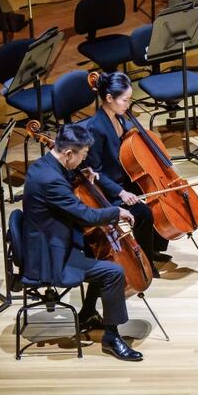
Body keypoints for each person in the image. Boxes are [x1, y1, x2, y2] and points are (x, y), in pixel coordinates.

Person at [21, 123, 142, 361]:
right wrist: (116, 212)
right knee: (113, 272)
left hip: (49, 240)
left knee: (100, 255)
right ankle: (111, 337)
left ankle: (87, 313)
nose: (82, 162)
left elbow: (66, 189)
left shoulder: (44, 166)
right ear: (68, 154)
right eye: (82, 157)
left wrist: (81, 177)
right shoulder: (50, 181)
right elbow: (85, 215)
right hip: (51, 257)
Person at [83, 72, 168, 276]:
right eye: (125, 100)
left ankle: (154, 247)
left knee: (157, 196)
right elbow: (96, 172)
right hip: (109, 188)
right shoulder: (96, 127)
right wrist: (121, 193)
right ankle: (145, 263)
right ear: (109, 98)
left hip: (125, 176)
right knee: (144, 212)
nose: (127, 105)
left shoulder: (120, 118)